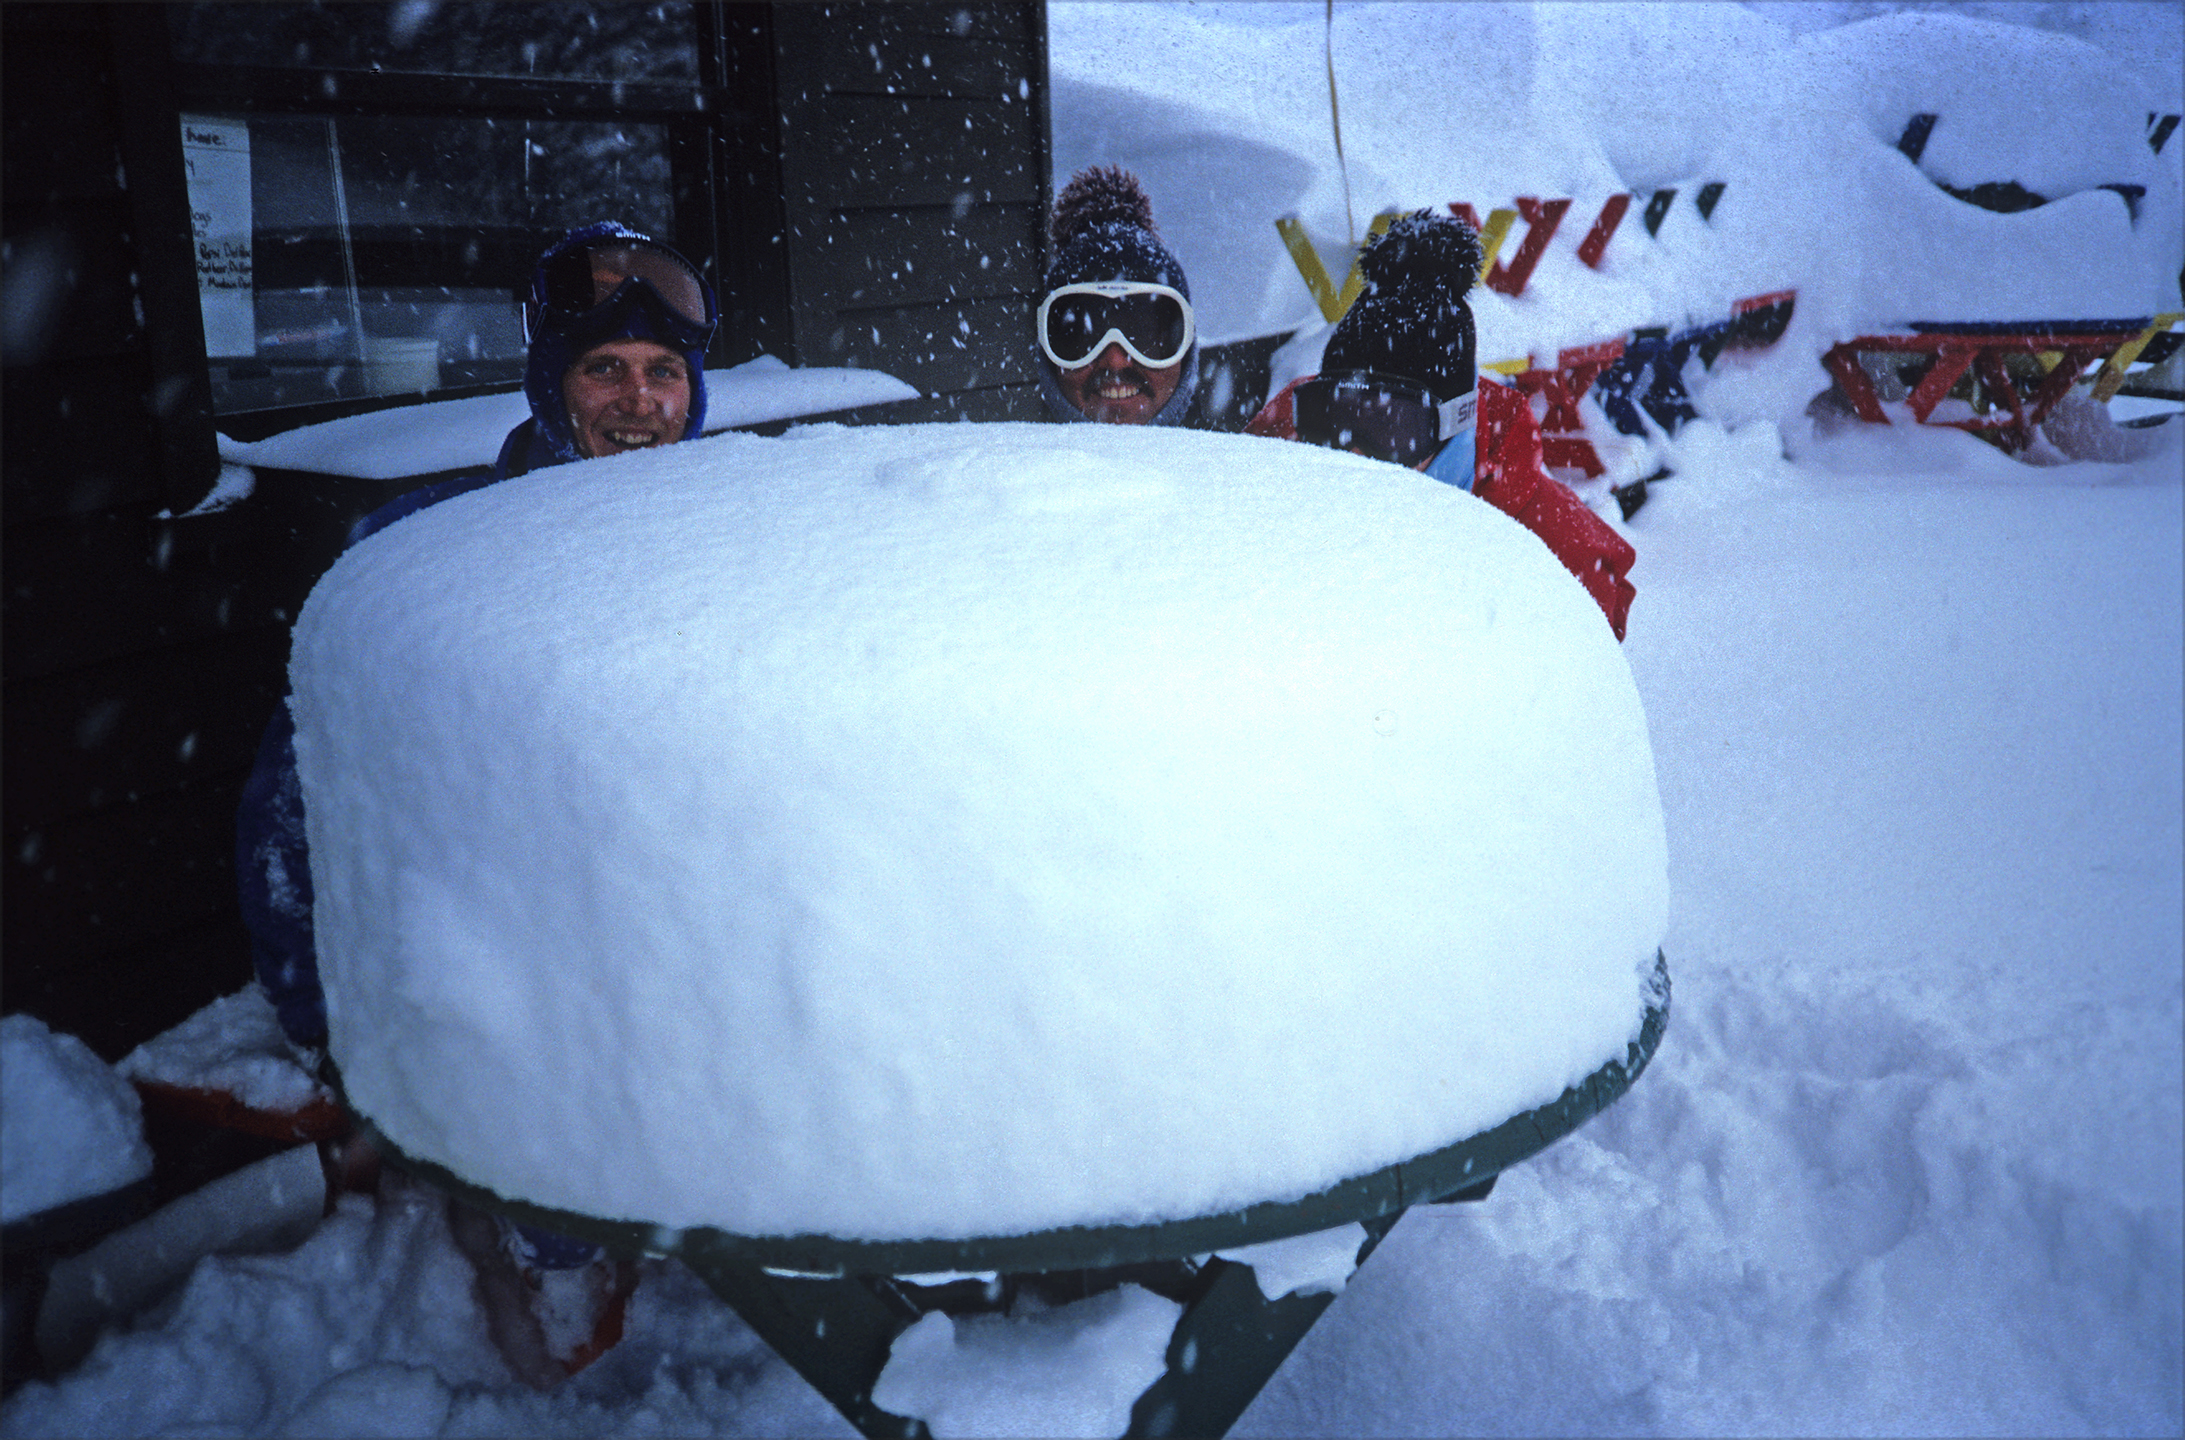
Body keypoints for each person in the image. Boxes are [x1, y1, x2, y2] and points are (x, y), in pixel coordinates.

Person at [233, 220, 717, 1384]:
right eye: (604, 370)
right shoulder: (435, 554)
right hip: (514, 973)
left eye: (663, 375)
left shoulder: (730, 544)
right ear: (549, 384)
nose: (639, 403)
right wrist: (321, 1015)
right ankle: (559, 1271)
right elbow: (286, 810)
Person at [1245, 210, 1637, 639]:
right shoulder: (1284, 440)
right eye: (1334, 416)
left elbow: (1601, 613)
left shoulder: (1530, 529)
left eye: (1391, 428)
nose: (1354, 450)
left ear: (1454, 427)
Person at [1036, 166, 1199, 425]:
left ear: (1186, 354)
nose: (1116, 361)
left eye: (1144, 335)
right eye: (1082, 338)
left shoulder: (1248, 460)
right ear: (1047, 358)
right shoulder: (1003, 462)